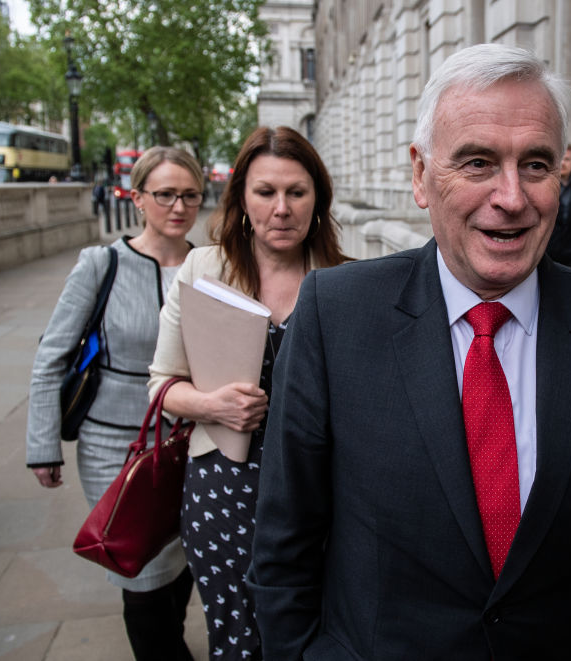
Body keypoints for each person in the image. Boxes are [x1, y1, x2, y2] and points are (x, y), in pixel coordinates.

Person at [247, 43, 571, 660]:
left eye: (535, 164)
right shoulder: (336, 315)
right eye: (478, 162)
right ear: (421, 175)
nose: (511, 197)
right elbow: (284, 545)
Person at [148, 126, 349, 661]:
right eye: (265, 192)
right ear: (241, 197)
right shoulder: (204, 269)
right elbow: (162, 383)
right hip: (224, 488)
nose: (281, 209)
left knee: (320, 635)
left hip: (323, 494)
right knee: (236, 636)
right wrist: (211, 405)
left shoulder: (348, 281)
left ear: (318, 199)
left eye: (296, 192)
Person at [26, 146, 203, 660]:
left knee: (184, 556)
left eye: (190, 195)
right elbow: (51, 357)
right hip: (115, 444)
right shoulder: (101, 264)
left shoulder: (211, 264)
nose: (178, 206)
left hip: (192, 439)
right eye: (165, 194)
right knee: (139, 570)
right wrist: (43, 447)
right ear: (138, 197)